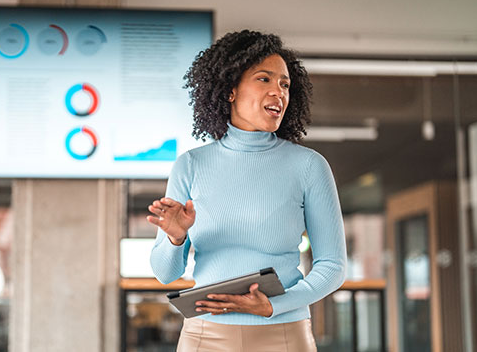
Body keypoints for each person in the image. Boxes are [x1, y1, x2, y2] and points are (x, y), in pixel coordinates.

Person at [147, 30, 346, 352]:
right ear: (230, 91)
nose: (278, 92)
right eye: (264, 79)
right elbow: (165, 274)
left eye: (284, 84)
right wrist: (175, 237)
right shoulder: (191, 165)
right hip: (204, 336)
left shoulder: (308, 166)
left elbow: (333, 266)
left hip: (284, 332)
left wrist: (274, 306)